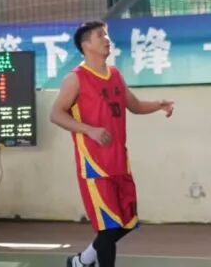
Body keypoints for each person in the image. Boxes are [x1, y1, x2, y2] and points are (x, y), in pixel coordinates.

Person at [50, 20, 174, 267]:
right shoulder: (75, 78)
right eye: (100, 36)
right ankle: (85, 262)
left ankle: (82, 261)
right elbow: (56, 114)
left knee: (127, 223)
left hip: (120, 161)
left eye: (106, 35)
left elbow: (135, 106)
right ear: (86, 45)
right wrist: (89, 130)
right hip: (95, 166)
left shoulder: (115, 75)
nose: (107, 39)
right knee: (107, 230)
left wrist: (158, 105)